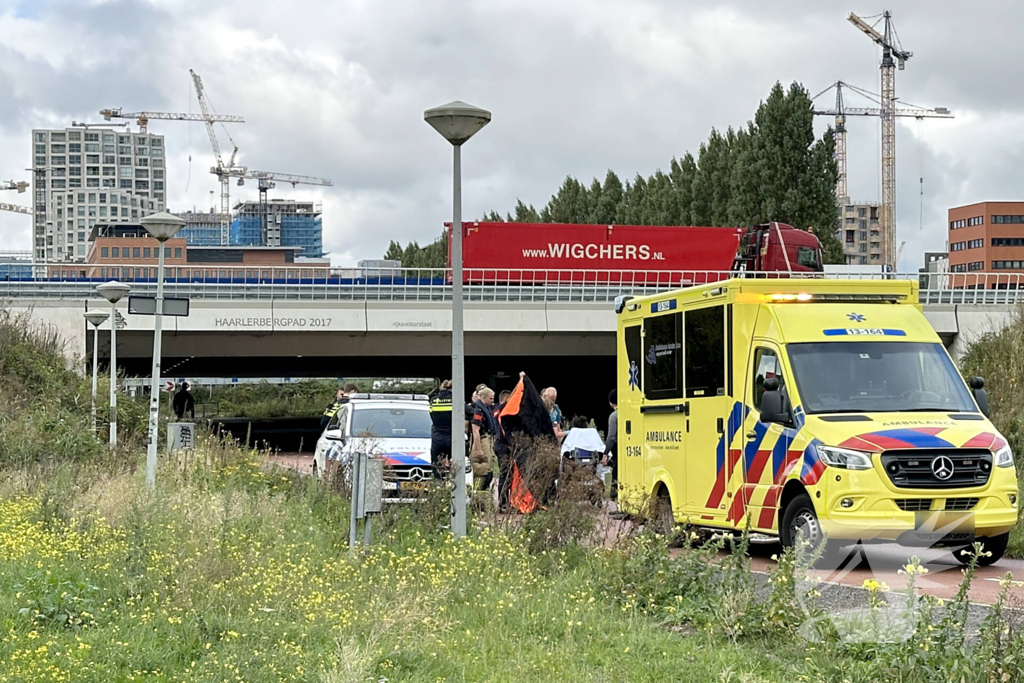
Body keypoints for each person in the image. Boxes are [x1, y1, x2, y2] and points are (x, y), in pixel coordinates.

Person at [469, 387, 499, 490]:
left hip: (488, 439)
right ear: (483, 397)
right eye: (490, 398)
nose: (492, 401)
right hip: (482, 440)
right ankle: (478, 492)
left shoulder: (487, 409)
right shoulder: (478, 410)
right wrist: (479, 449)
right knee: (483, 470)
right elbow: (475, 430)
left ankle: (483, 493)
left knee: (489, 467)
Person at [428, 380, 454, 478]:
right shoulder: (455, 400)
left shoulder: (433, 401)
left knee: (436, 464)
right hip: (452, 437)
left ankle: (439, 484)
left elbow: (431, 415)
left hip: (437, 437)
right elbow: (469, 412)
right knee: (455, 464)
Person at [602, 390, 618, 499]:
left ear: (611, 403)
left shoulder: (614, 416)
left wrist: (606, 453)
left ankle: (614, 496)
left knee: (616, 473)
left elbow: (611, 436)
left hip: (618, 447)